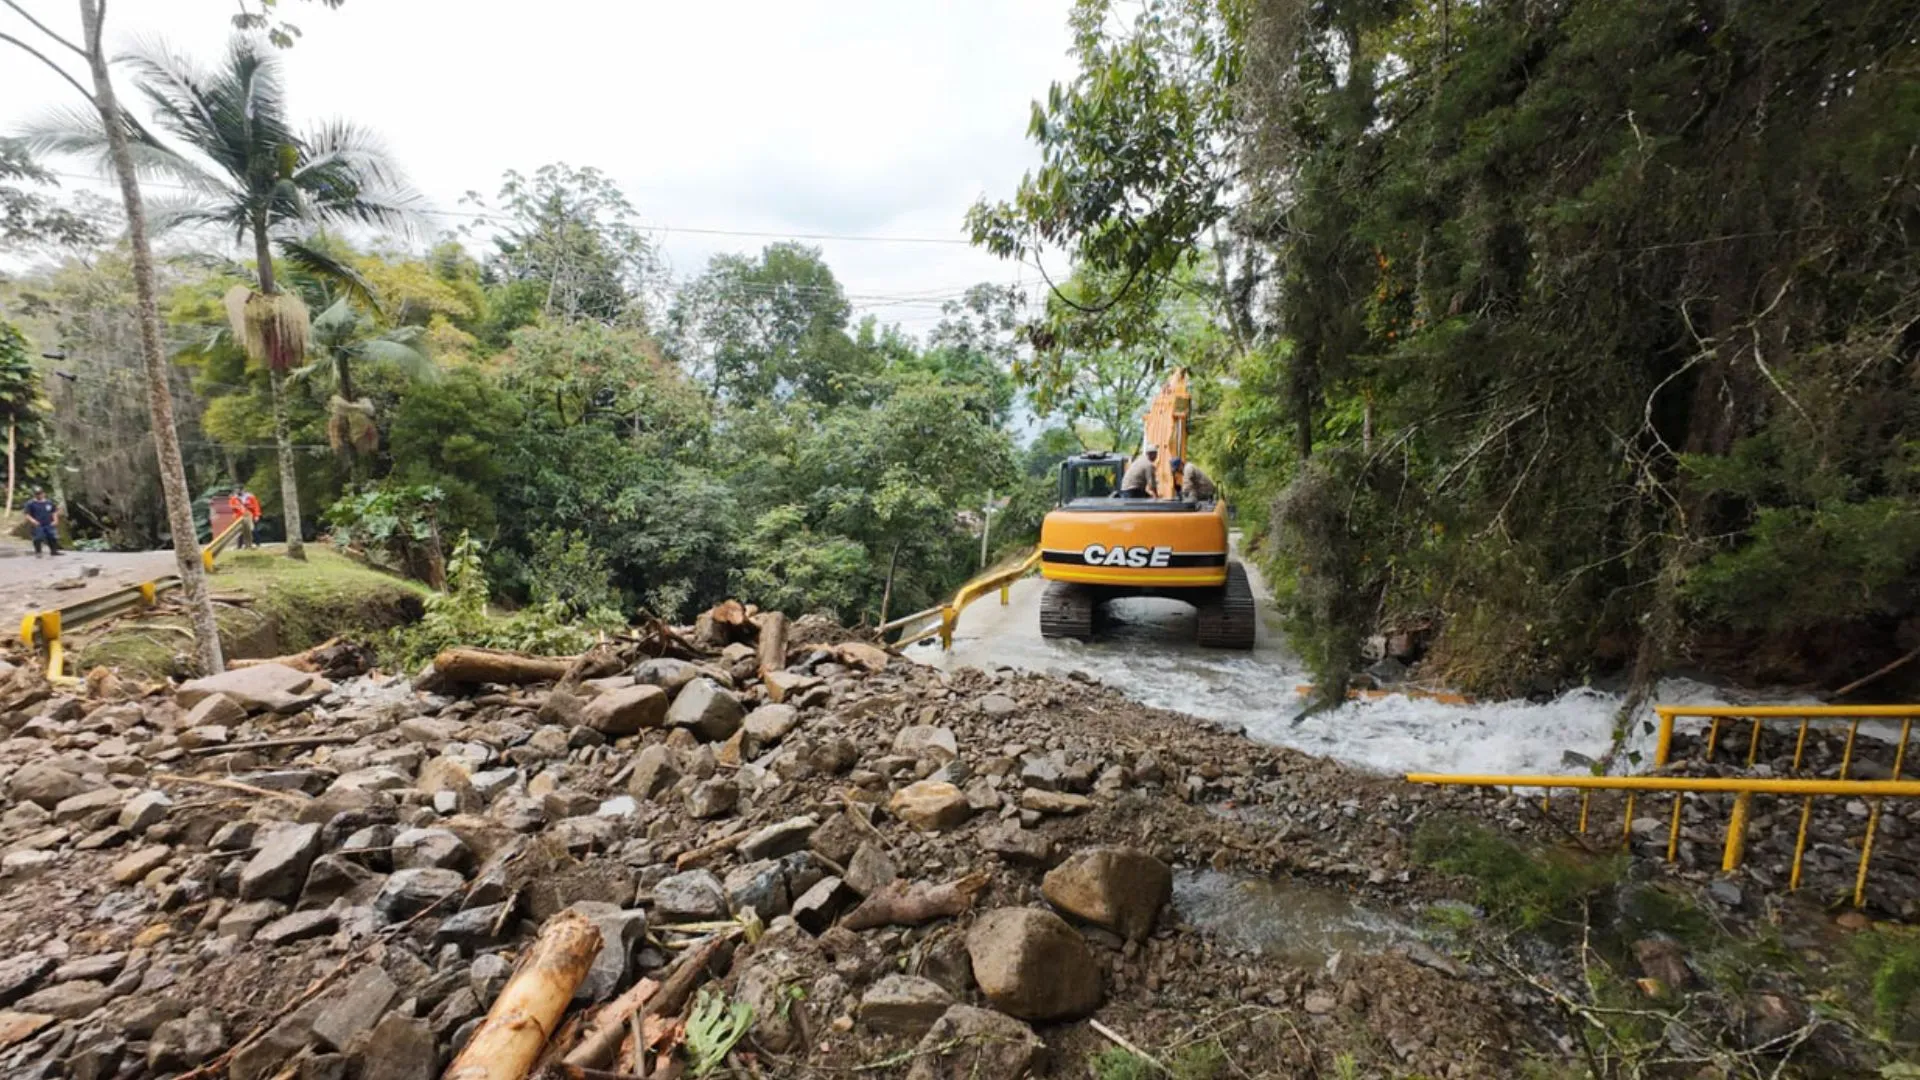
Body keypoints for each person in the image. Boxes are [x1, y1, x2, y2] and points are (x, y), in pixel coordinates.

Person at [24, 488, 60, 557]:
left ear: (44, 493)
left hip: (49, 523)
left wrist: (55, 520)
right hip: (38, 524)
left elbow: (54, 512)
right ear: (35, 495)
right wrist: (33, 521)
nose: (39, 495)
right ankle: (38, 552)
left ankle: (54, 551)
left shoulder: (49, 502)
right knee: (38, 537)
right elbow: (27, 514)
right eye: (37, 494)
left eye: (40, 493)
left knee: (52, 537)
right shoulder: (30, 503)